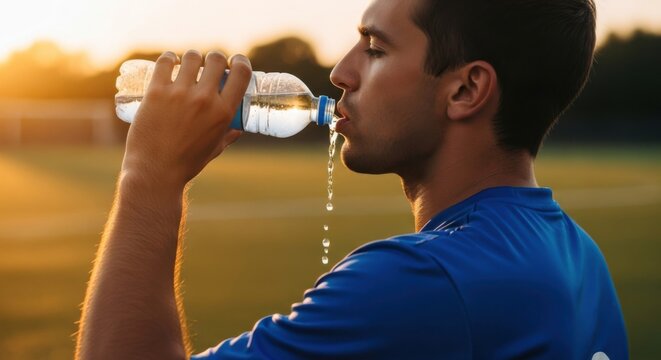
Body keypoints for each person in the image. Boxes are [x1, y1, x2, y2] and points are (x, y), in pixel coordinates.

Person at [75, 0, 628, 358]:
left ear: (464, 91)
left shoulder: (421, 281)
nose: (341, 72)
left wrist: (149, 176)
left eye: (375, 49)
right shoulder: (582, 258)